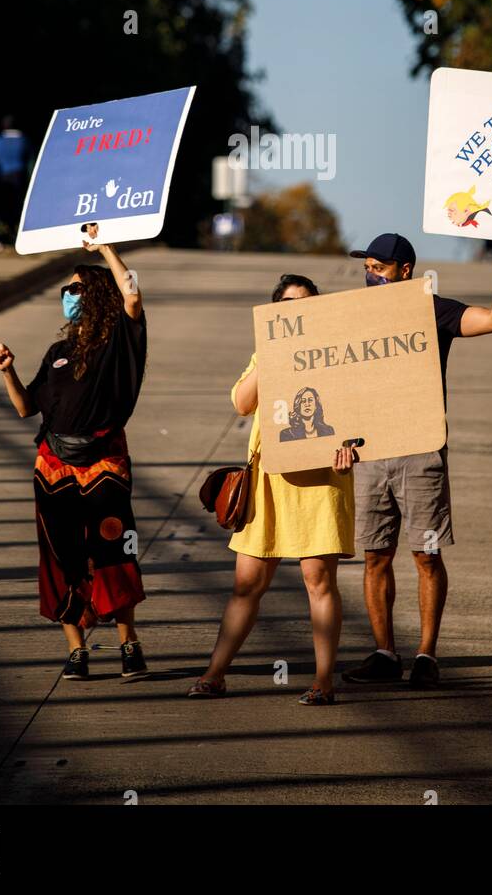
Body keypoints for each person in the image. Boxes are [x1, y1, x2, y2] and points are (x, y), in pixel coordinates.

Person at [342, 231, 492, 689]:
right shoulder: (353, 315)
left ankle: (425, 655)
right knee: (376, 555)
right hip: (369, 451)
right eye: (368, 267)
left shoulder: (433, 309)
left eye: (379, 268)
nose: (371, 275)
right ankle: (385, 654)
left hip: (421, 451)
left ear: (405, 271)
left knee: (426, 554)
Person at [189, 274, 357, 706]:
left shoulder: (337, 352)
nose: (296, 309)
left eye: (305, 302)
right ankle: (215, 673)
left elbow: (360, 412)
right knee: (247, 583)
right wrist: (270, 352)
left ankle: (324, 681)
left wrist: (352, 449)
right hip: (268, 479)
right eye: (287, 303)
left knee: (317, 579)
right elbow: (243, 403)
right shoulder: (261, 351)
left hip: (321, 477)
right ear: (274, 309)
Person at [0, 241, 149, 683]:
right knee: (61, 557)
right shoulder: (58, 351)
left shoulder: (122, 341)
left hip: (103, 466)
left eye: (76, 288)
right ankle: (76, 650)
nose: (68, 295)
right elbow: (27, 409)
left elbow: (133, 294)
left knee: (113, 551)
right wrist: (8, 372)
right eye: (67, 289)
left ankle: (128, 643)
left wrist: (106, 249)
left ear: (97, 294)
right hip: (53, 467)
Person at [0, 116, 31, 245]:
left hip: (3, 177)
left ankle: (3, 236)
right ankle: (18, 234)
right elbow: (30, 159)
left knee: (3, 207)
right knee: (19, 206)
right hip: (19, 176)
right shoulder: (24, 140)